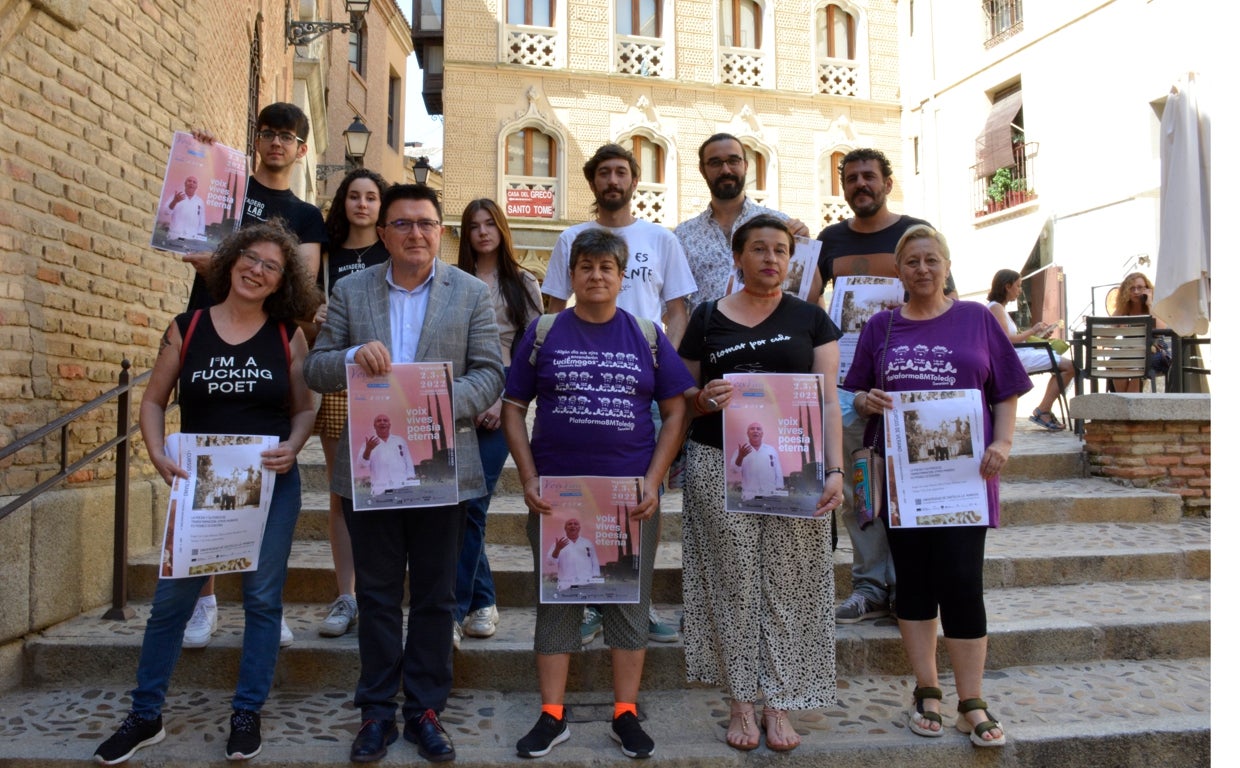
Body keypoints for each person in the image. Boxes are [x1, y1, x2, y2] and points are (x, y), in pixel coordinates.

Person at [93, 223, 318, 765]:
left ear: (281, 281)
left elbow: (306, 406)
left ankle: (246, 713)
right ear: (230, 261)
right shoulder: (186, 327)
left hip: (268, 481)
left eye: (271, 265)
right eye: (250, 257)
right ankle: (145, 715)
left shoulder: (288, 334)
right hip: (200, 484)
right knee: (171, 603)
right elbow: (152, 401)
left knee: (263, 600)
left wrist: (294, 444)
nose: (257, 269)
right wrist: (154, 451)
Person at [303, 183, 503, 764]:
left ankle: (425, 709)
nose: (416, 233)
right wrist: (349, 356)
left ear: (441, 231)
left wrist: (432, 406)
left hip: (443, 468)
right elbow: (316, 368)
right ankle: (374, 712)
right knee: (379, 595)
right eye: (403, 223)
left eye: (426, 223)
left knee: (438, 598)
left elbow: (491, 374)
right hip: (372, 470)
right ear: (384, 233)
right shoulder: (350, 290)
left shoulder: (469, 293)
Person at [502, 229, 693, 760]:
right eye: (585, 267)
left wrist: (654, 479)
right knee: (557, 606)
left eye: (606, 268)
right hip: (557, 496)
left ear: (621, 274)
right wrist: (527, 476)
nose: (595, 276)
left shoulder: (646, 335)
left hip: (627, 497)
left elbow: (678, 409)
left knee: (628, 605)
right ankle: (552, 714)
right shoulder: (544, 332)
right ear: (572, 275)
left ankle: (625, 713)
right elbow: (513, 407)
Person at [844, 224, 1030, 749]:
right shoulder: (880, 328)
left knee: (963, 584)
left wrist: (1005, 443)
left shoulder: (977, 318)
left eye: (931, 260)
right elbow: (857, 396)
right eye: (912, 262)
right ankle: (927, 689)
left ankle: (971, 700)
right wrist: (867, 403)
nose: (922, 269)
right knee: (916, 585)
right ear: (899, 272)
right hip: (906, 483)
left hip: (967, 478)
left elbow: (1007, 390)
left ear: (946, 265)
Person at [677, 214, 845, 752]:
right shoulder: (706, 318)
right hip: (714, 462)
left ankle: (779, 704)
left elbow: (827, 402)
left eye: (781, 250)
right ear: (738, 257)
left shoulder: (812, 318)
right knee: (732, 583)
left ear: (791, 259)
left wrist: (836, 470)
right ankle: (742, 704)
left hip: (795, 466)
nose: (771, 258)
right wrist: (703, 399)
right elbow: (684, 394)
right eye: (759, 249)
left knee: (789, 582)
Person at [181, 103, 329, 650]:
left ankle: (264, 602)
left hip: (268, 340)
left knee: (262, 461)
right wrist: (196, 153)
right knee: (206, 451)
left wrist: (222, 266)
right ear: (256, 140)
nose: (275, 144)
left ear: (301, 149)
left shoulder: (308, 216)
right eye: (267, 134)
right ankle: (205, 599)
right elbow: (187, 223)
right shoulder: (230, 192)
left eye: (287, 137)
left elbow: (304, 282)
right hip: (209, 330)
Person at [542, 143, 696, 644]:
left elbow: (677, 310)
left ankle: (637, 602)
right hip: (583, 385)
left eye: (622, 172)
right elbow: (548, 308)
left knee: (641, 502)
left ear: (634, 181)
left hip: (643, 388)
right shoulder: (570, 239)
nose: (613, 180)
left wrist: (658, 363)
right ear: (592, 182)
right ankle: (587, 603)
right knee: (583, 496)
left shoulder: (661, 239)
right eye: (604, 172)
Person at [813, 147, 943, 626]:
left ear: (888, 183)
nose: (860, 185)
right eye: (850, 178)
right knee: (860, 492)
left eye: (869, 176)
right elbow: (808, 303)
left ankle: (910, 586)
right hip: (849, 389)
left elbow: (940, 298)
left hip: (911, 384)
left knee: (908, 486)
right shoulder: (829, 241)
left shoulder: (915, 234)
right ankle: (869, 586)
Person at [453, 198, 543, 645]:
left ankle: (452, 609)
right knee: (458, 504)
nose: (483, 232)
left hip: (500, 401)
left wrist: (503, 398)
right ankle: (482, 600)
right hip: (457, 397)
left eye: (490, 224)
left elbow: (533, 350)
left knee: (474, 503)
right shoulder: (451, 280)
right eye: (474, 225)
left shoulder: (520, 282)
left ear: (502, 229)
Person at [311, 168, 391, 639]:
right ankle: (347, 594)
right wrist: (314, 312)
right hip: (342, 383)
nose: (362, 204)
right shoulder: (325, 255)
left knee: (383, 491)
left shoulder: (393, 251)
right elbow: (306, 315)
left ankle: (378, 591)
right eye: (354, 196)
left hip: (387, 385)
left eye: (372, 197)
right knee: (343, 493)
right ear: (343, 202)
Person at [674, 133, 812, 312]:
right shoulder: (683, 235)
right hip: (706, 337)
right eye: (715, 163)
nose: (726, 170)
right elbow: (672, 305)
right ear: (702, 170)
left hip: (770, 335)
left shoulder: (780, 225)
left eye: (733, 161)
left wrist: (806, 248)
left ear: (745, 165)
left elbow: (808, 294)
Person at [986, 269, 1077, 429]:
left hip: (1017, 353)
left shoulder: (999, 308)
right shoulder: (996, 308)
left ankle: (1044, 409)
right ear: (1007, 286)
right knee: (1069, 366)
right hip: (1011, 358)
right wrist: (1033, 330)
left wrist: (1040, 336)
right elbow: (1006, 340)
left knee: (1068, 366)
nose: (1020, 290)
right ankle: (1043, 410)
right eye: (1018, 286)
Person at [1112, 271, 1169, 392]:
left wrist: (1150, 304)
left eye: (1140, 288)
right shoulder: (1122, 310)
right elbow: (1107, 333)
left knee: (1136, 369)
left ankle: (1126, 407)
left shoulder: (1153, 306)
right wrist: (1119, 325)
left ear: (1147, 289)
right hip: (1129, 353)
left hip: (1154, 352)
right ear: (1125, 291)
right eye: (1131, 288)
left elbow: (1160, 329)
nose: (1136, 292)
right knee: (1116, 366)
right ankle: (1126, 406)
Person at [358, 413, 417, 495]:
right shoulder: (368, 444)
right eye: (379, 421)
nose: (382, 422)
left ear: (389, 425)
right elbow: (362, 465)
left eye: (385, 420)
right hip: (380, 489)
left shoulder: (399, 440)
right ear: (374, 426)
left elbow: (408, 460)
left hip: (401, 485)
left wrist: (410, 477)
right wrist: (368, 450)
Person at [548, 518, 601, 594]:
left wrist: (595, 578)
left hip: (586, 583)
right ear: (565, 528)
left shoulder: (587, 542)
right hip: (566, 585)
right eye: (569, 524)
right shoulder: (558, 544)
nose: (573, 525)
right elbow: (550, 562)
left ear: (579, 528)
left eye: (575, 524)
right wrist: (557, 549)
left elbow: (594, 561)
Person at [733, 422, 782, 501]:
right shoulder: (741, 451)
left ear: (762, 434)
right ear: (748, 434)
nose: (755, 431)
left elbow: (778, 470)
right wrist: (740, 457)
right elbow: (735, 470)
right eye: (752, 429)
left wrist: (779, 488)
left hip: (769, 494)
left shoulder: (771, 450)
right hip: (750, 496)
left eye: (758, 429)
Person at [164, 176, 206, 241]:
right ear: (185, 183)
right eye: (189, 181)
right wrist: (175, 201)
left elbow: (201, 220)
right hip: (174, 236)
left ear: (196, 186)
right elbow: (166, 212)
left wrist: (199, 236)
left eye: (194, 182)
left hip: (191, 238)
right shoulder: (176, 196)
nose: (191, 183)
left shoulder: (200, 201)